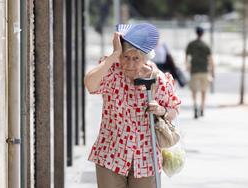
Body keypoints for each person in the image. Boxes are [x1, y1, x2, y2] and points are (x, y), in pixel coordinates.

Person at [84, 23, 181, 188]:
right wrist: (114, 55)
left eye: (136, 58)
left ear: (145, 58)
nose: (129, 64)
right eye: (125, 57)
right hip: (111, 154)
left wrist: (160, 109)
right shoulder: (112, 71)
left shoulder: (157, 79)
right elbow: (90, 84)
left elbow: (174, 110)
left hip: (146, 158)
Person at [185, 26, 215, 119]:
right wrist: (212, 71)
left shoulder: (191, 44)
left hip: (194, 71)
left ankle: (195, 106)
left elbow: (187, 58)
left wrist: (188, 67)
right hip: (204, 71)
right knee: (203, 91)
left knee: (194, 91)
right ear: (203, 33)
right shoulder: (206, 45)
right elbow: (211, 60)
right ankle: (202, 108)